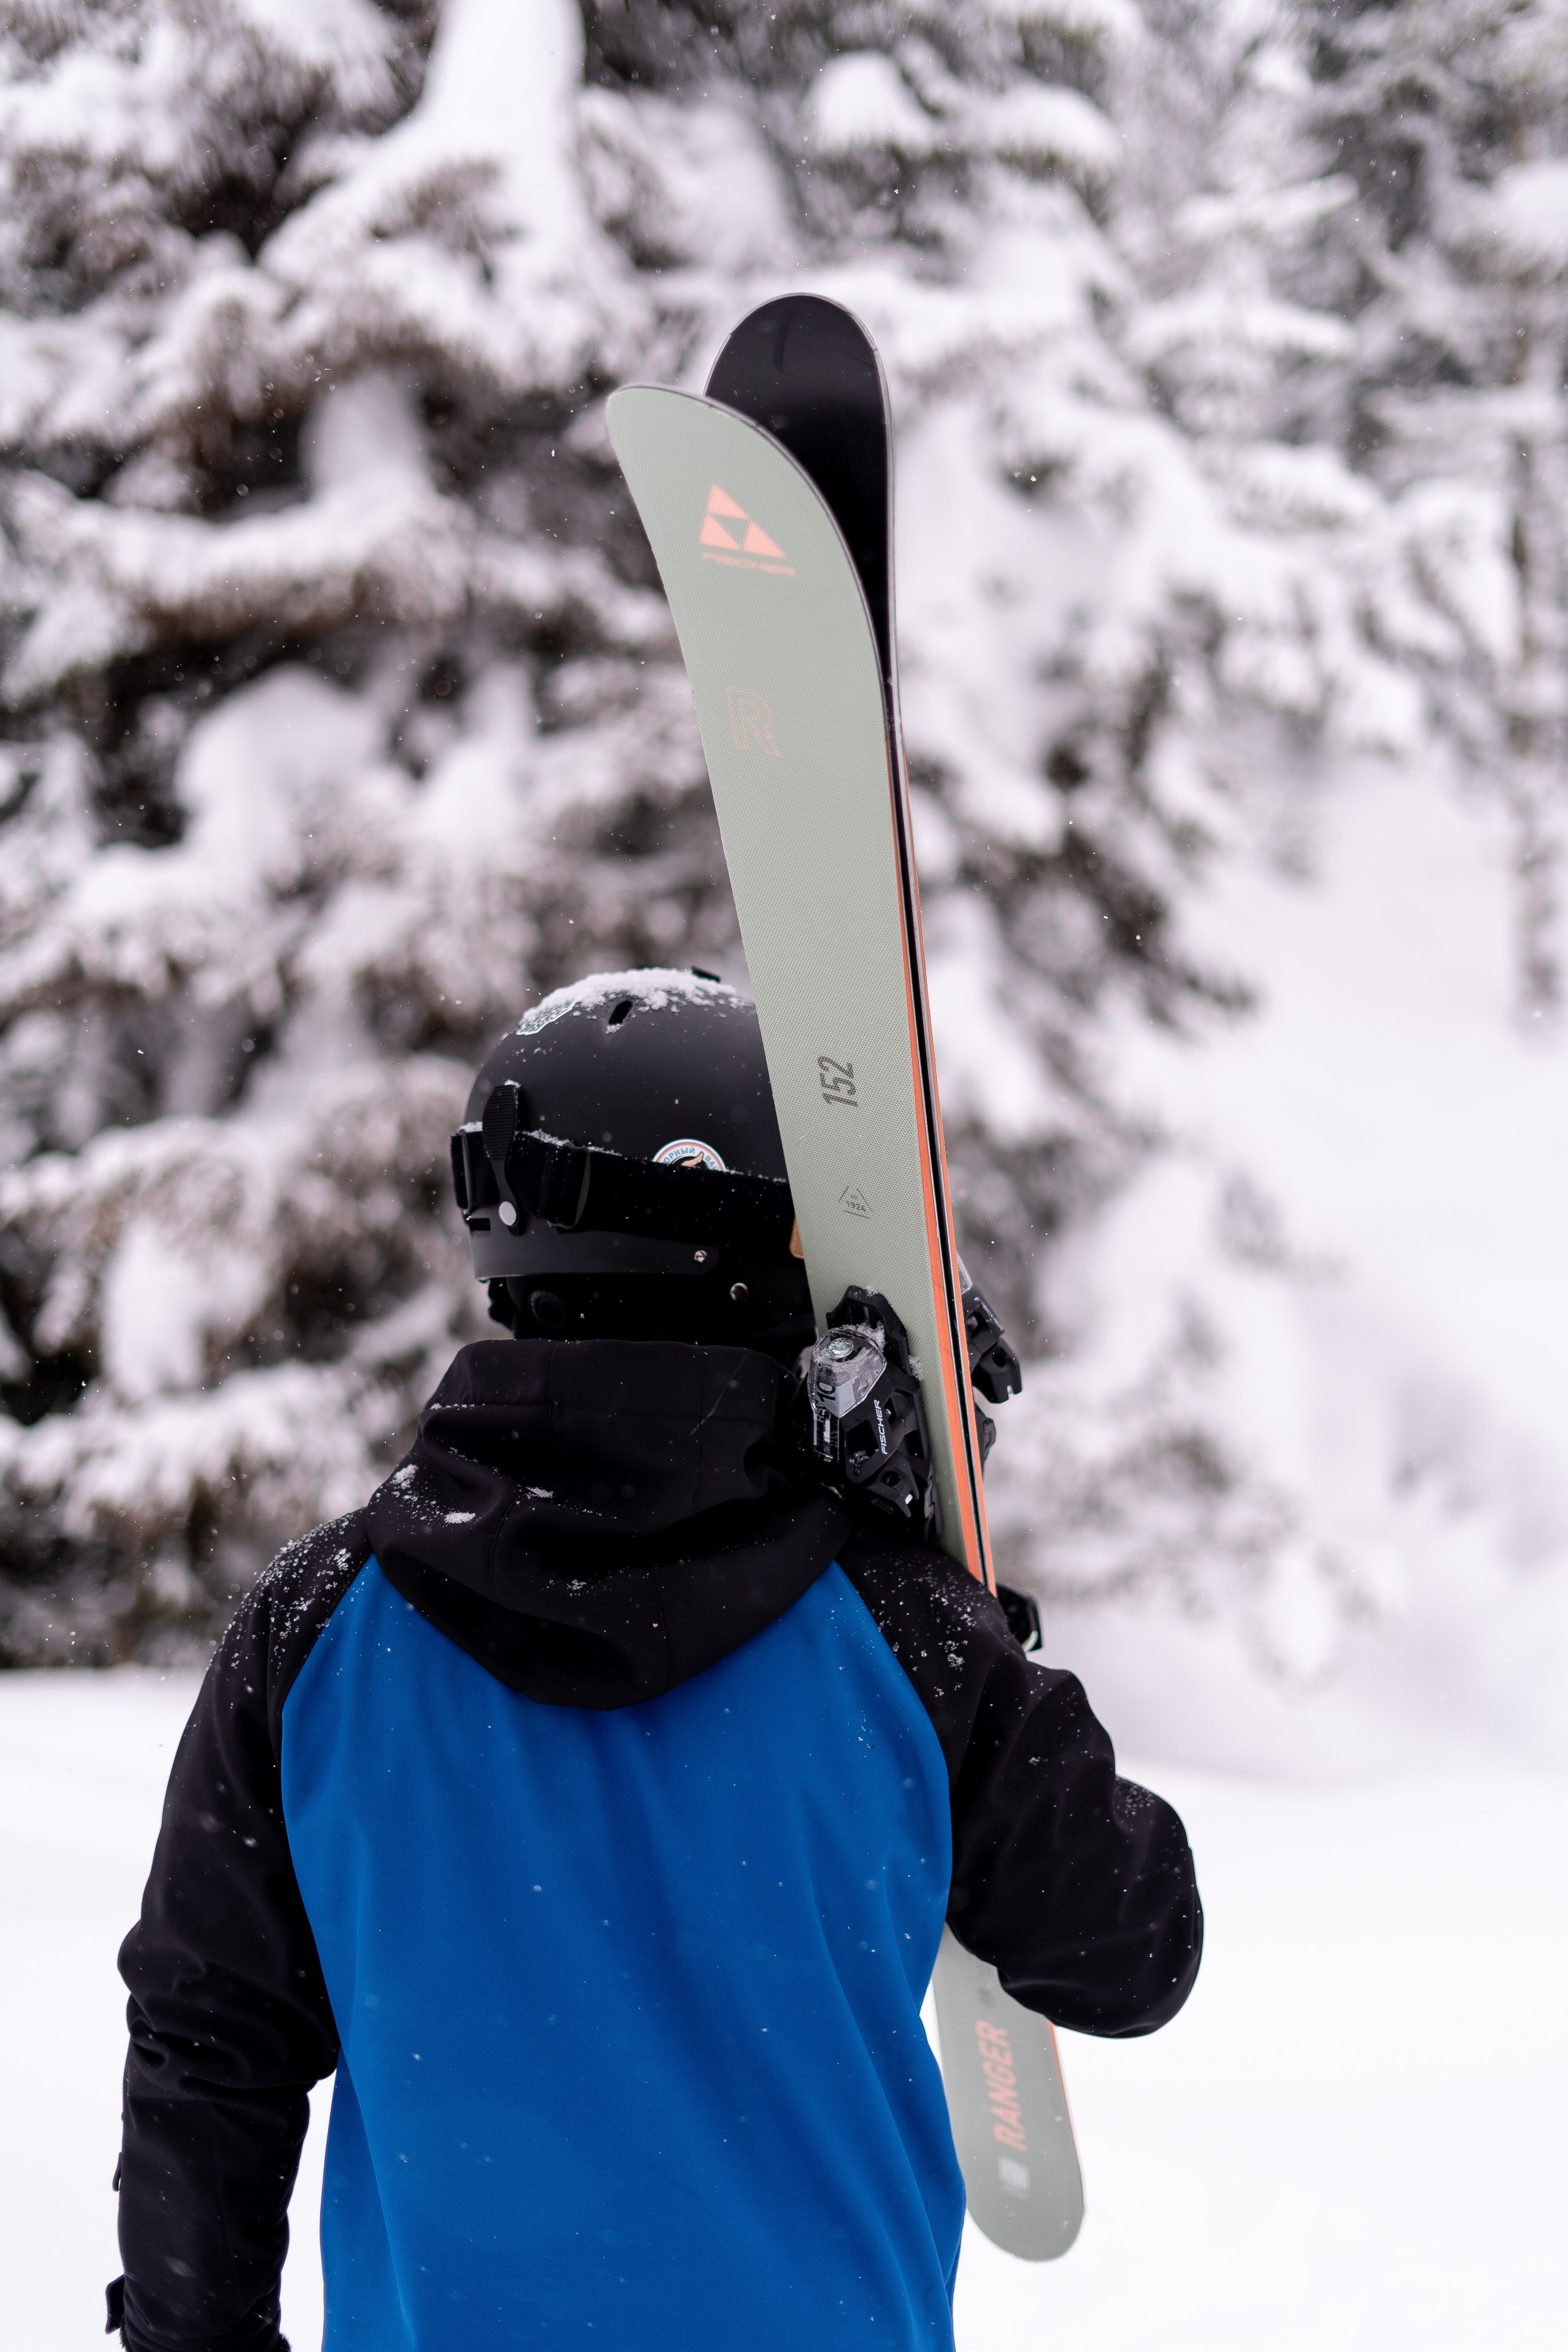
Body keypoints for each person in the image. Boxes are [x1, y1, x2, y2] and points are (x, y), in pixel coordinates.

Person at [109, 968, 1201, 2352]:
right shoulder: (899, 1633)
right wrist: (968, 1606)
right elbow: (1130, 1950)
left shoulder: (317, 1626)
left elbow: (208, 2046)